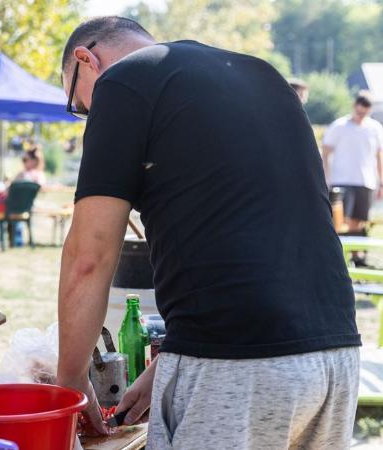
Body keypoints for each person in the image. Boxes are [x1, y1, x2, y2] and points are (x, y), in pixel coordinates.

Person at [56, 17, 360, 449]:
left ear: (86, 60)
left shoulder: (121, 83)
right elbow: (260, 228)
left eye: (79, 106)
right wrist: (171, 363)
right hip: (335, 352)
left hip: (235, 361)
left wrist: (70, 380)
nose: (88, 115)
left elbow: (90, 254)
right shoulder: (262, 75)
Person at [322, 92, 383, 242]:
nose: (361, 116)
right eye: (359, 112)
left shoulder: (374, 128)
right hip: (341, 180)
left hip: (366, 181)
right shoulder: (339, 126)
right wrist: (325, 178)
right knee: (339, 219)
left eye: (365, 113)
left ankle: (356, 255)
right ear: (354, 106)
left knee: (359, 220)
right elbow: (325, 153)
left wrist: (381, 182)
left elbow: (379, 156)